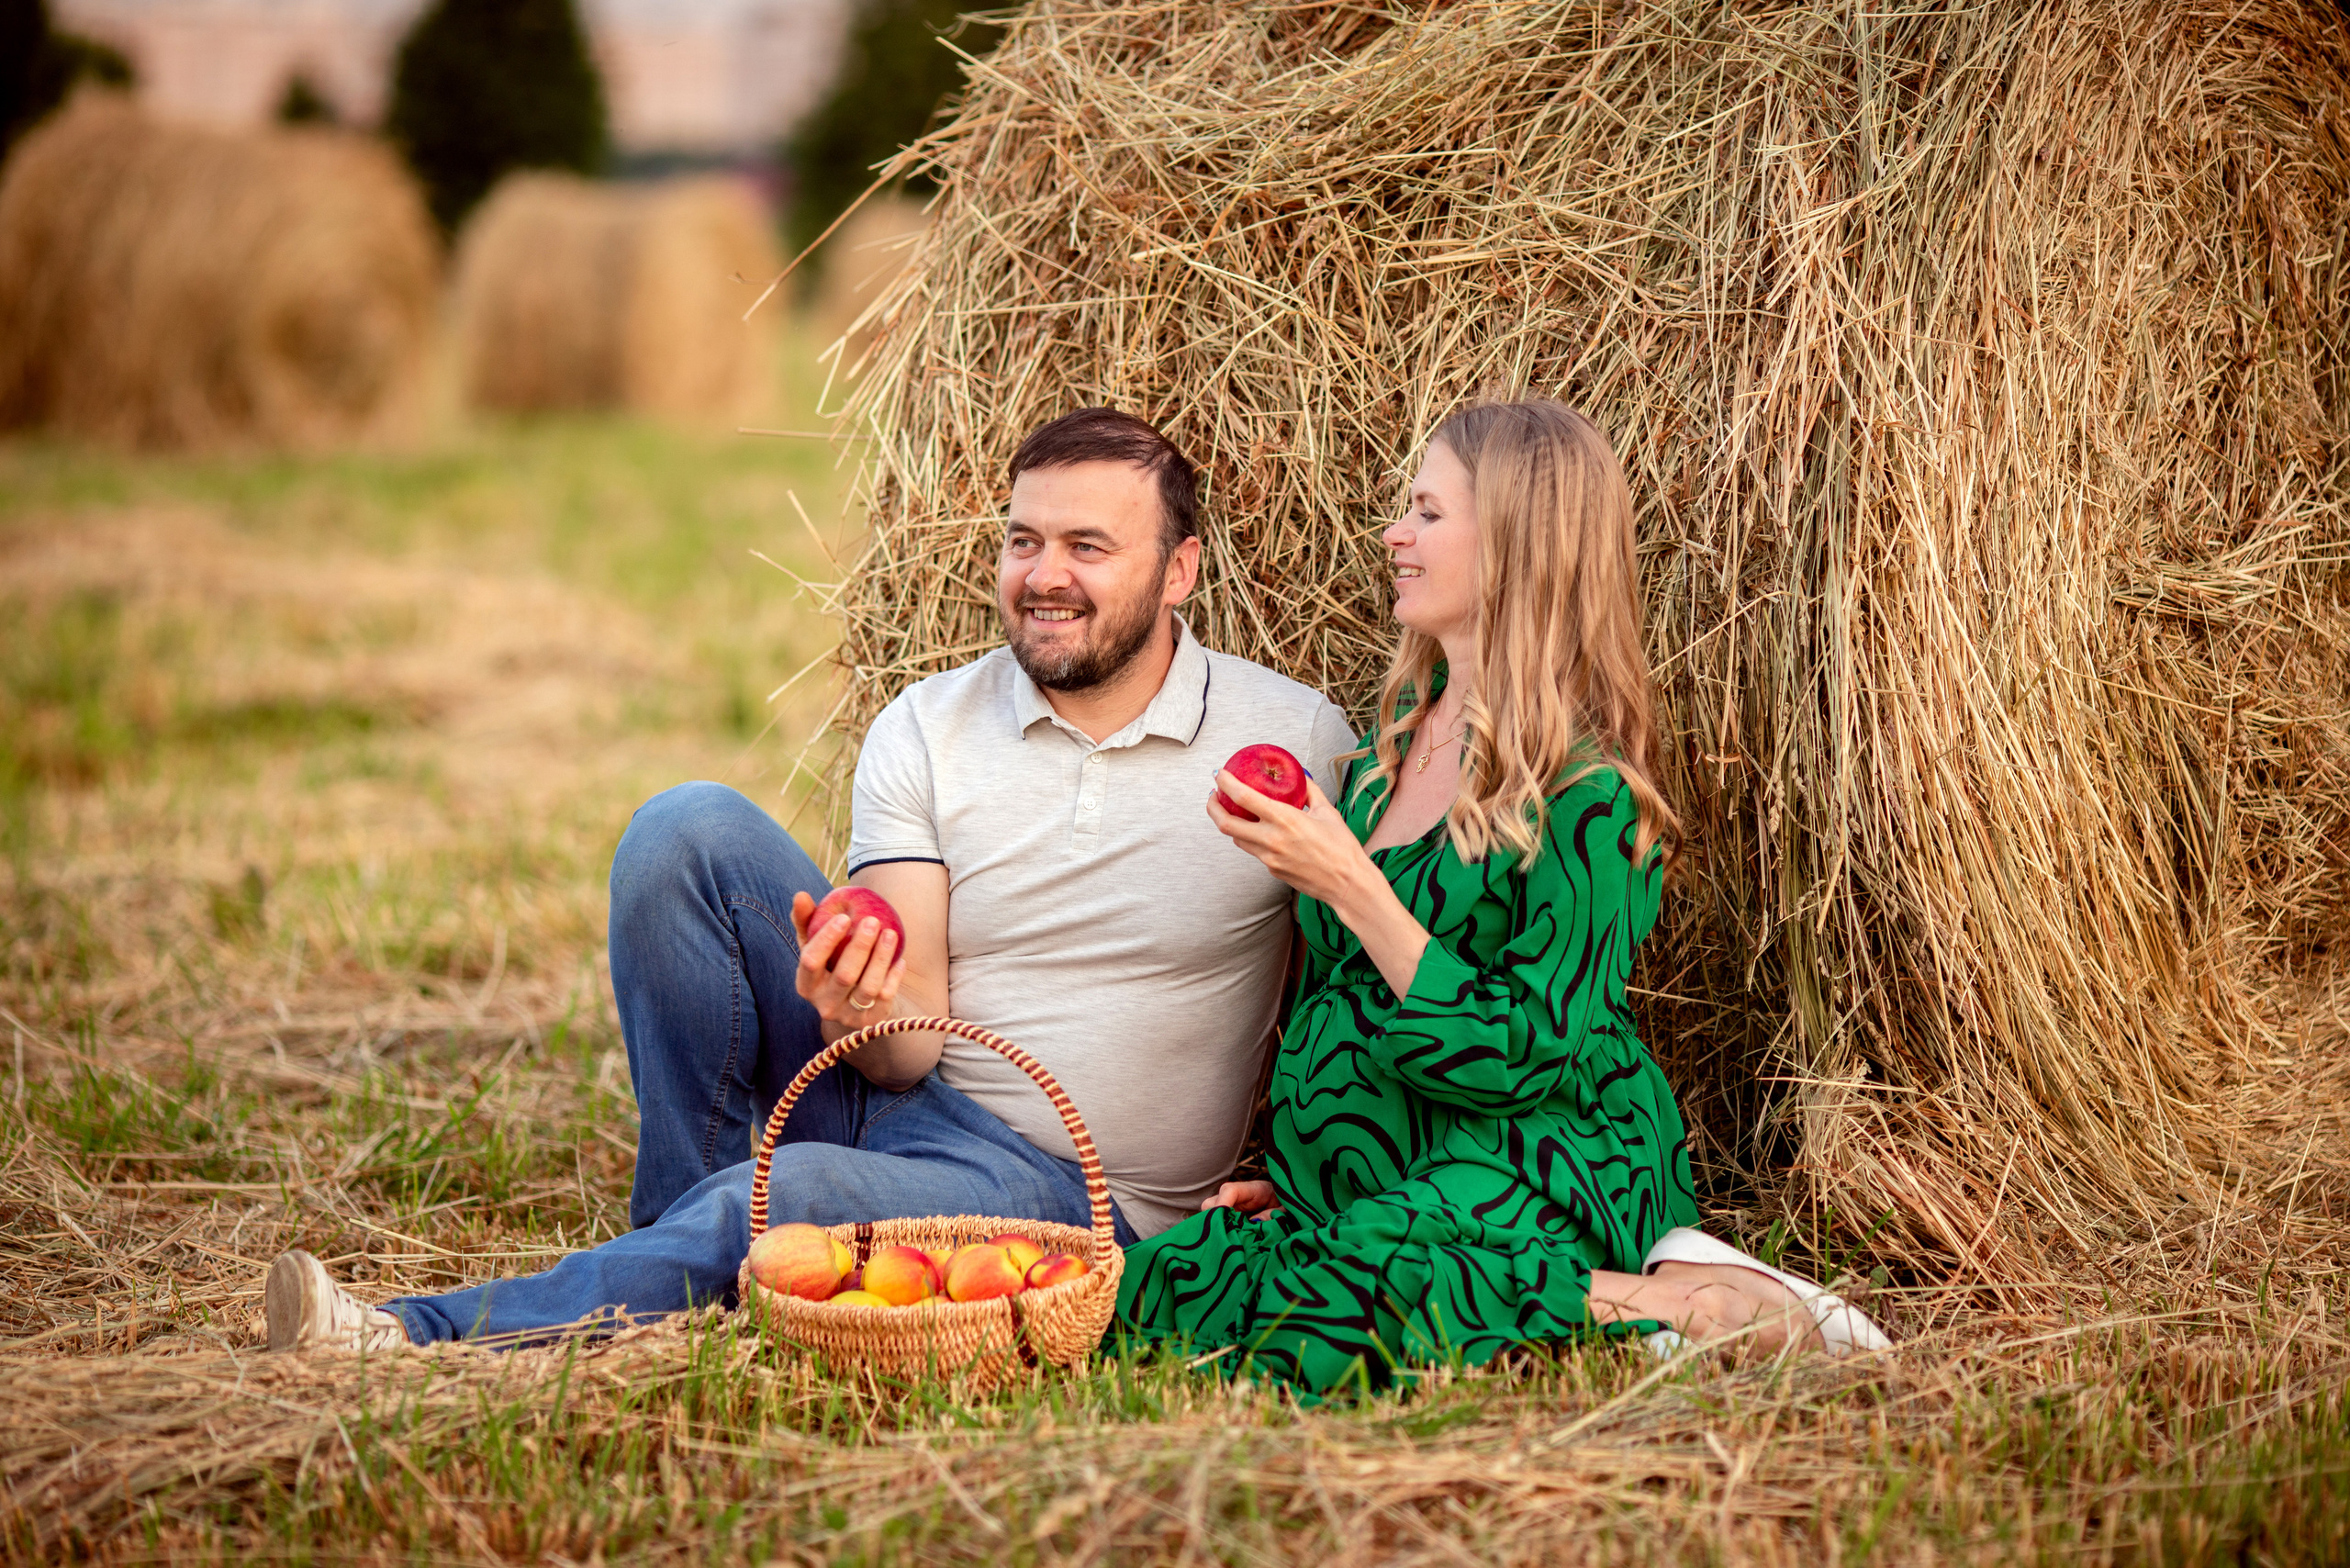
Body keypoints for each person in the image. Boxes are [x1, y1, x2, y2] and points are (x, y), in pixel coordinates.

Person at [263, 407, 1356, 1352]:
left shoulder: (1298, 740)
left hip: (1069, 1189)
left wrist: (1295, 1175)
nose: (1044, 576)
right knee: (682, 828)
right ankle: (672, 1244)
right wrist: (864, 1000)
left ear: (1180, 569)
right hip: (909, 1093)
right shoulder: (928, 724)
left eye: (1087, 545)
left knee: (780, 1197)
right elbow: (905, 1051)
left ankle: (412, 1336)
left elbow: (1343, 993)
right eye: (1022, 540)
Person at [1115, 400, 1890, 1395]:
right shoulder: (1391, 739)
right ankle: (1406, 1253)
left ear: (1522, 542)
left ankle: (1687, 1301)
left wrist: (1350, 882)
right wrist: (1313, 1170)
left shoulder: (1593, 795)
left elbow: (1527, 1050)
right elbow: (1335, 1002)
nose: (1395, 534)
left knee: (1346, 1308)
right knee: (1166, 1284)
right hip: (1385, 1168)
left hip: (1535, 1150)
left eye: (1429, 514)